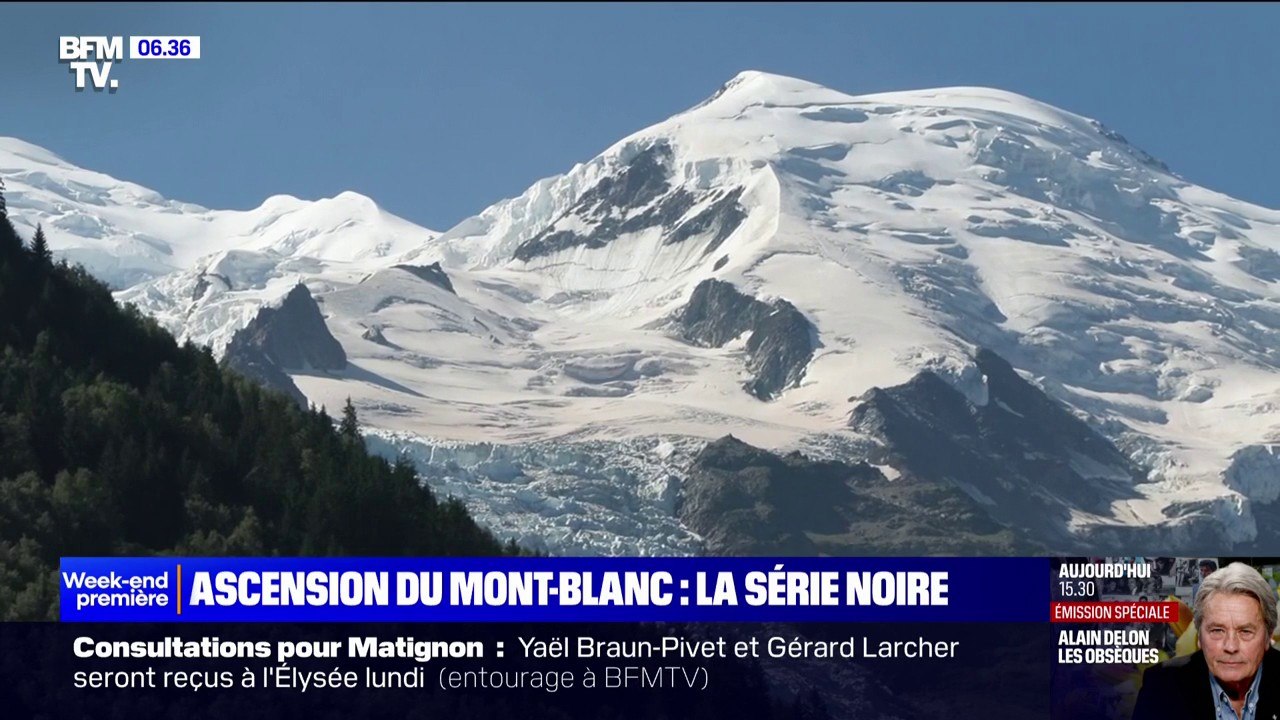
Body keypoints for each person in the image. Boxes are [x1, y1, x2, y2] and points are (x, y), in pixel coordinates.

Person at [1133, 562, 1280, 720]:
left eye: (1245, 631)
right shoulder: (1161, 687)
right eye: (1217, 631)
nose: (1230, 646)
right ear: (1199, 637)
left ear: (1267, 637)